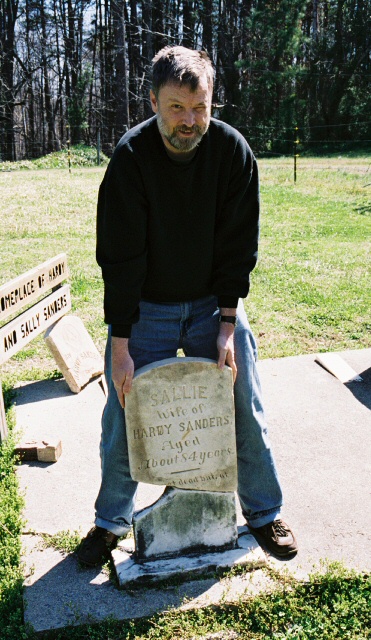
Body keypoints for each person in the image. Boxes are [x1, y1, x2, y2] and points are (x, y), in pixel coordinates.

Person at [78, 45, 297, 567]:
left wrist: (226, 322)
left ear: (211, 103)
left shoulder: (232, 152)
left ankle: (264, 513)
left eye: (200, 107)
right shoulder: (131, 160)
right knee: (123, 412)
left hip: (209, 303)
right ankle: (110, 523)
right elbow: (120, 259)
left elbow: (238, 246)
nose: (189, 120)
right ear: (153, 101)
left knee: (244, 396)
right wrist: (122, 346)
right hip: (146, 306)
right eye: (176, 107)